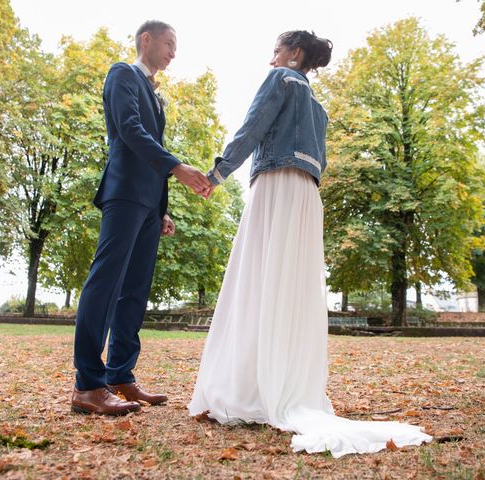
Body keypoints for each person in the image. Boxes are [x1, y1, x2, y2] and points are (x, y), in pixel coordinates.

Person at [188, 30, 433, 457]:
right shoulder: (318, 107)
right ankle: (283, 385)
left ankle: (252, 386)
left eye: (277, 51)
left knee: (258, 282)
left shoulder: (281, 81)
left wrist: (217, 173)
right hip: (306, 196)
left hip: (277, 185)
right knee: (291, 290)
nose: (272, 59)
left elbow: (252, 128)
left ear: (294, 54)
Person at [72, 20, 211, 416]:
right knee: (105, 282)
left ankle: (120, 375)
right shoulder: (123, 75)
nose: (173, 52)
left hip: (149, 204)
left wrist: (161, 207)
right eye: (169, 43)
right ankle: (87, 384)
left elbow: (153, 144)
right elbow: (130, 131)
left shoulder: (155, 93)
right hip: (124, 195)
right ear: (146, 40)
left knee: (134, 290)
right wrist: (178, 168)